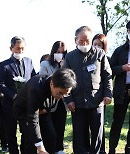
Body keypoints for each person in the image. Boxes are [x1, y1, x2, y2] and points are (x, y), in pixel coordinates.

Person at [63, 26, 112, 154]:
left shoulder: (100, 54)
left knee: (97, 134)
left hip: (96, 101)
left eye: (87, 41)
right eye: (81, 41)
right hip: (77, 103)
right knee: (79, 135)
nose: (84, 44)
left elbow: (107, 75)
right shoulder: (69, 57)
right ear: (75, 40)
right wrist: (68, 99)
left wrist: (108, 93)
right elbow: (65, 80)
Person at [13, 68, 77, 154]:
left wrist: (44, 110)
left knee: (51, 136)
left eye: (66, 93)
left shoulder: (58, 87)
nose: (62, 96)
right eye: (60, 93)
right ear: (52, 84)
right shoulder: (36, 88)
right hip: (25, 113)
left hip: (43, 111)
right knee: (31, 140)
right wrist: (40, 147)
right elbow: (32, 118)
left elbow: (50, 106)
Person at [0, 36, 36, 154]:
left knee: (27, 132)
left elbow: (33, 78)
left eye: (23, 49)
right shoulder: (4, 65)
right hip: (10, 104)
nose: (20, 51)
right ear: (11, 48)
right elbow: (0, 84)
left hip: (26, 104)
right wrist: (13, 95)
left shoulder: (29, 61)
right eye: (18, 49)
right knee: (11, 133)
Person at [39, 41, 67, 154]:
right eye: (57, 52)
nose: (59, 54)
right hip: (49, 101)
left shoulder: (67, 64)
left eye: (62, 52)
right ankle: (48, 149)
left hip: (62, 101)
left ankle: (59, 149)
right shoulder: (45, 64)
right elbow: (42, 79)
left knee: (60, 126)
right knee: (50, 129)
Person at [109, 21, 130, 154]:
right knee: (117, 121)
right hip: (121, 90)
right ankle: (112, 148)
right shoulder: (119, 50)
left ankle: (129, 148)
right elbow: (109, 69)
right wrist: (122, 68)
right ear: (127, 31)